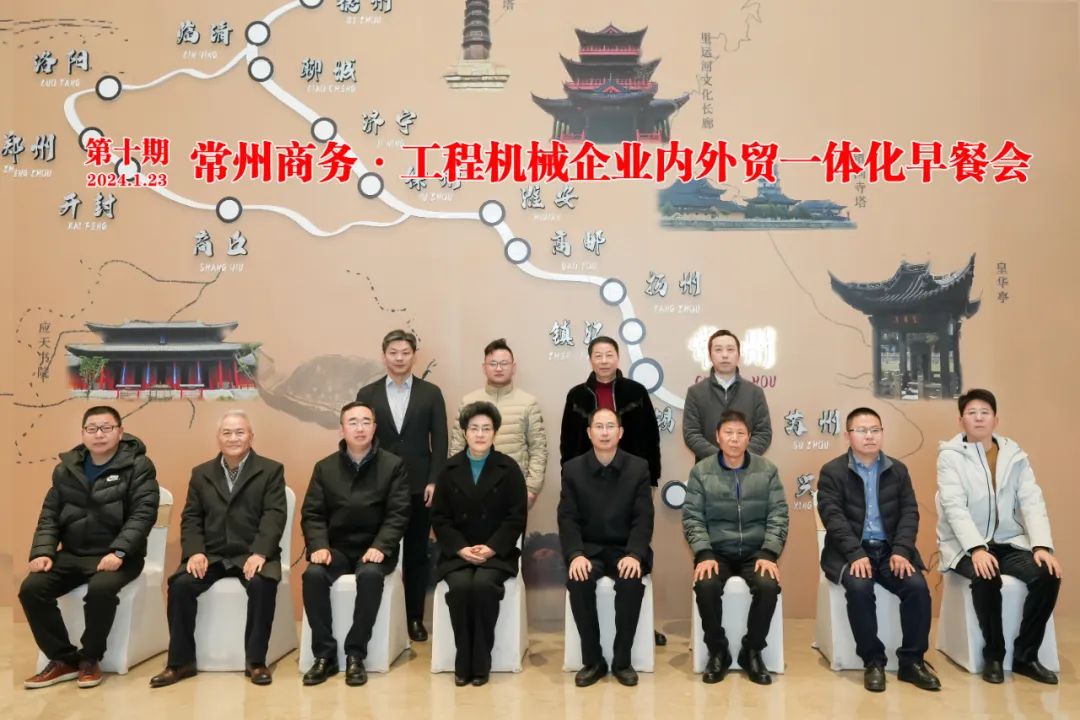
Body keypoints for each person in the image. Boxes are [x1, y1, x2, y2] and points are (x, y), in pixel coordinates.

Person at [20, 406, 159, 690]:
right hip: (73, 554)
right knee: (31, 589)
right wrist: (43, 552)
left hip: (120, 556)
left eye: (107, 428)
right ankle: (63, 659)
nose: (99, 434)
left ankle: (90, 658)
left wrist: (119, 551)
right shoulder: (66, 469)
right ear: (83, 433)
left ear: (120, 432)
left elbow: (143, 514)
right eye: (92, 428)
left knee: (100, 590)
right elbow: (50, 515)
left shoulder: (138, 466)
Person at [150, 410, 287, 687]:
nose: (233, 438)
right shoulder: (201, 473)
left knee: (262, 584)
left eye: (240, 432)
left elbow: (274, 515)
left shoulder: (271, 470)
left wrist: (260, 552)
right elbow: (191, 517)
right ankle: (180, 662)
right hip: (211, 555)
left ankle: (256, 662)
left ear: (251, 436)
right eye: (227, 433)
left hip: (251, 553)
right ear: (218, 438)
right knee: (181, 585)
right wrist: (195, 551)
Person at [936, 388, 1062, 685]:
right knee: (986, 576)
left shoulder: (1014, 455)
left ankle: (1025, 656)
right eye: (971, 413)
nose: (979, 418)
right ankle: (994, 655)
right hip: (965, 546)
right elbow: (954, 508)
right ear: (961, 420)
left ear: (996, 419)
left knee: (1047, 574)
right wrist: (977, 548)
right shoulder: (950, 457)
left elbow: (1031, 500)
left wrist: (1041, 546)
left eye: (985, 412)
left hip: (1009, 541)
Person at [817, 407, 940, 692]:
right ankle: (873, 661)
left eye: (875, 430)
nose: (869, 436)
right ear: (847, 436)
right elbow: (833, 518)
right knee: (859, 589)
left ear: (882, 433)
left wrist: (901, 551)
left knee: (917, 587)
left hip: (889, 550)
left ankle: (912, 662)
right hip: (849, 551)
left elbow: (909, 513)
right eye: (861, 430)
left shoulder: (898, 470)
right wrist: (855, 554)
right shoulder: (832, 471)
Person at [560, 335, 664, 645]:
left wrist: (652, 478)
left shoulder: (635, 391)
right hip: (587, 481)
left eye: (609, 354)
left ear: (618, 358)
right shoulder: (577, 395)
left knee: (634, 552)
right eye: (598, 355)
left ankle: (638, 634)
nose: (604, 360)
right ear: (590, 359)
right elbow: (567, 441)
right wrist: (570, 475)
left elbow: (651, 437)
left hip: (632, 481)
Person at [300, 401, 411, 686]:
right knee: (313, 575)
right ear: (342, 429)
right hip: (336, 549)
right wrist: (319, 545)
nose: (359, 428)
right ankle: (324, 656)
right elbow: (312, 513)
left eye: (365, 422)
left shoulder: (393, 465)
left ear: (374, 428)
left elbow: (398, 513)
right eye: (353, 422)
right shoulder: (325, 468)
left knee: (371, 576)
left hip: (375, 549)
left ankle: (355, 654)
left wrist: (381, 546)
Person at [356, 329, 448, 642]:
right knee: (380, 551)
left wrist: (435, 479)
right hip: (378, 486)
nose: (399, 358)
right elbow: (361, 440)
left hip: (420, 486)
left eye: (405, 353)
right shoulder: (367, 394)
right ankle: (381, 616)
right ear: (384, 356)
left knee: (417, 555)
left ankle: (414, 618)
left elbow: (441, 440)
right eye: (393, 352)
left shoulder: (430, 393)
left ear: (414, 356)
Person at [682, 410, 787, 685]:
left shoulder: (767, 470)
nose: (734, 439)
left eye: (740, 433)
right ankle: (718, 651)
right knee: (705, 585)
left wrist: (769, 552)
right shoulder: (701, 471)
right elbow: (692, 517)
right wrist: (704, 552)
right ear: (717, 437)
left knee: (768, 586)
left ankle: (752, 650)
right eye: (728, 433)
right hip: (716, 551)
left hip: (756, 551)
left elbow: (778, 514)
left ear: (749, 438)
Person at [431, 402, 527, 686]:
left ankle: (481, 660)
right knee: (461, 588)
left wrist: (492, 547)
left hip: (496, 552)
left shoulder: (509, 469)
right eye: (474, 428)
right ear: (464, 432)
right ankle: (464, 659)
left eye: (486, 428)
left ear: (495, 433)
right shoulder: (448, 469)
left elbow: (516, 517)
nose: (480, 434)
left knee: (484, 586)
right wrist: (460, 548)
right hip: (458, 552)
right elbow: (440, 518)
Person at [559, 408, 653, 688]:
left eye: (610, 426)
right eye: (598, 426)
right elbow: (567, 518)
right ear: (589, 433)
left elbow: (643, 518)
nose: (604, 432)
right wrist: (575, 554)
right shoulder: (573, 469)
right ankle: (593, 661)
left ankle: (622, 661)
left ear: (620, 432)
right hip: (588, 550)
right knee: (578, 581)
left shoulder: (638, 468)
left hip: (625, 549)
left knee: (630, 581)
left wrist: (634, 554)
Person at [449, 338, 547, 509]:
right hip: (473, 487)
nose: (499, 368)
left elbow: (538, 449)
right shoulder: (468, 401)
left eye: (504, 363)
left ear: (513, 367)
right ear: (484, 368)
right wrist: (457, 483)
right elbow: (457, 447)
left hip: (513, 487)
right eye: (493, 363)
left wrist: (531, 489)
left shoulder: (528, 403)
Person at [683, 329, 772, 461]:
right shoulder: (696, 392)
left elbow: (763, 433)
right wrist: (720, 459)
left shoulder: (755, 392)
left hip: (747, 468)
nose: (725, 355)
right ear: (710, 355)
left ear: (738, 355)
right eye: (718, 350)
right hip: (707, 469)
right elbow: (692, 434)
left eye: (730, 349)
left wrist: (740, 458)